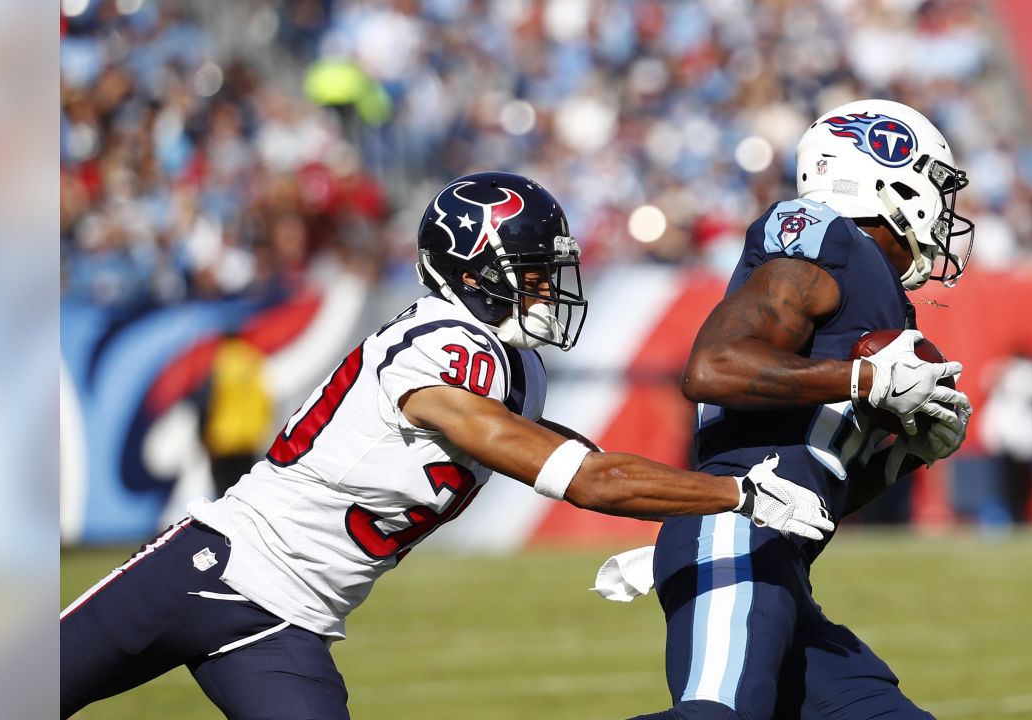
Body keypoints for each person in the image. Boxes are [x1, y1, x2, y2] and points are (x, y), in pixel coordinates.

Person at [59, 172, 838, 720]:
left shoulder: (516, 366)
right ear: (472, 276)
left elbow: (604, 469)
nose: (546, 290)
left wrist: (678, 531)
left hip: (292, 620)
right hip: (209, 569)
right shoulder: (435, 348)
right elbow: (588, 481)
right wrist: (738, 496)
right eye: (531, 274)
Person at [633, 100, 975, 720]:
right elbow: (712, 367)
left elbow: (820, 494)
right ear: (888, 175)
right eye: (936, 184)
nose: (944, 211)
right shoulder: (823, 238)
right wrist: (866, 378)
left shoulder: (877, 294)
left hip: (779, 560)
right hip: (734, 533)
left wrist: (905, 459)